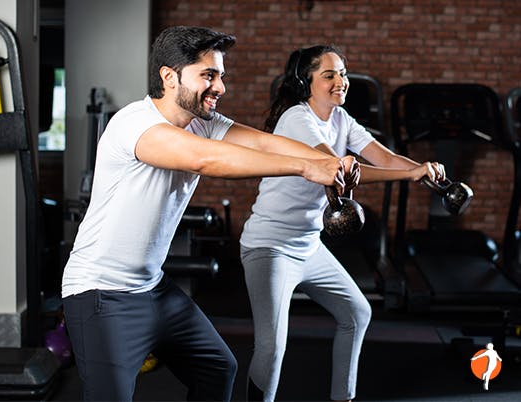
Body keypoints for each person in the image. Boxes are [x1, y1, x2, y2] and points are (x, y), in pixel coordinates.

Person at [61, 27, 356, 402]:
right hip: (101, 294)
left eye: (221, 76)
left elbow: (264, 142)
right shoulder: (135, 125)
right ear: (169, 77)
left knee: (217, 367)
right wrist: (305, 168)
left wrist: (330, 160)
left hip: (153, 289)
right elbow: (207, 158)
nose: (220, 87)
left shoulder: (202, 122)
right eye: (208, 75)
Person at [239, 45, 446, 402]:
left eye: (343, 73)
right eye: (329, 75)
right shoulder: (296, 119)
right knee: (272, 346)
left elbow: (383, 157)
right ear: (307, 82)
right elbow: (336, 168)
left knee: (357, 312)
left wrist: (422, 170)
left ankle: (343, 398)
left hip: (309, 245)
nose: (341, 82)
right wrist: (409, 174)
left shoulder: (341, 119)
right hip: (269, 246)